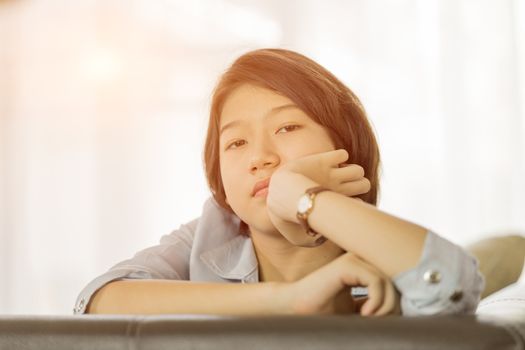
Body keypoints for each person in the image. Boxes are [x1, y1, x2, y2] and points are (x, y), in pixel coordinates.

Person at [74, 48, 484, 316]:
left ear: (344, 146)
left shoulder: (382, 246)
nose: (259, 157)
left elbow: (451, 285)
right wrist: (288, 300)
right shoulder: (211, 235)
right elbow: (99, 300)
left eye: (287, 127)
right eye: (235, 142)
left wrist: (304, 198)